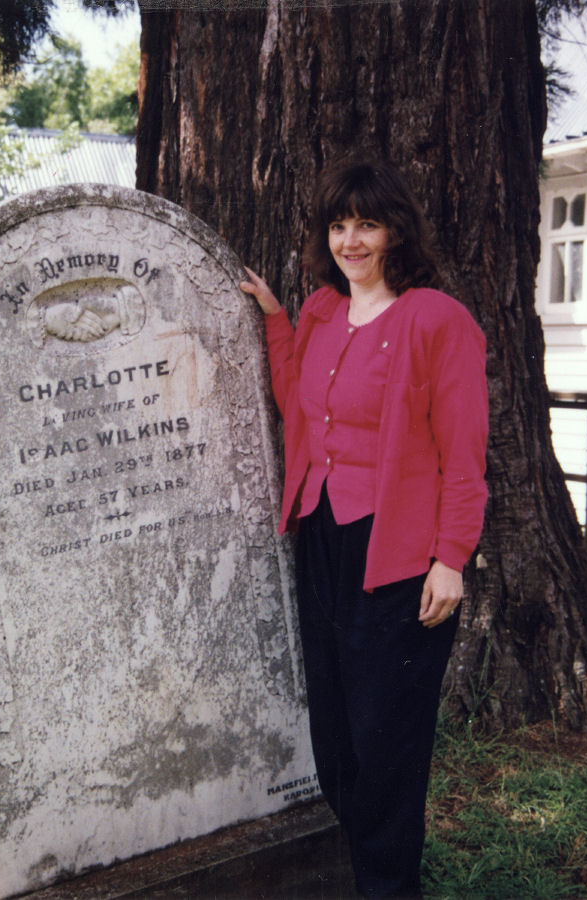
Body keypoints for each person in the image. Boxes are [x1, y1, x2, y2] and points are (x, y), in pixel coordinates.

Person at [240, 155, 488, 899]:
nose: (350, 240)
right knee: (336, 728)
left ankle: (389, 887)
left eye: (367, 225)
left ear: (394, 233)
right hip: (322, 535)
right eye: (339, 225)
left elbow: (463, 452)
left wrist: (450, 558)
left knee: (387, 740)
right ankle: (363, 874)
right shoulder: (321, 309)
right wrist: (277, 320)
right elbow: (297, 398)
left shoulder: (436, 320)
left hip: (398, 554)